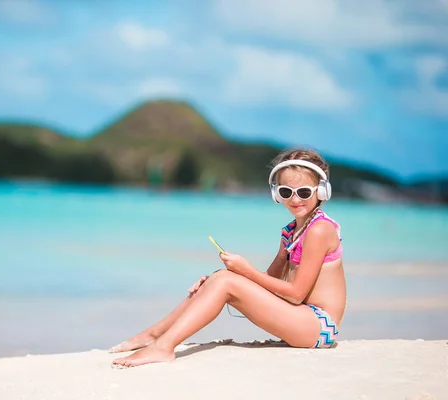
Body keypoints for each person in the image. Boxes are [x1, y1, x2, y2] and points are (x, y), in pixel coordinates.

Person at [110, 148, 347, 368]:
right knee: (218, 279)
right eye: (286, 192)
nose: (295, 199)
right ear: (277, 193)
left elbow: (295, 294)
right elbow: (269, 284)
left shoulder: (319, 230)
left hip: (319, 327)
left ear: (322, 191)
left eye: (304, 192)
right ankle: (154, 335)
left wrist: (244, 271)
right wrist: (214, 283)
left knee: (226, 281)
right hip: (300, 318)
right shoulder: (291, 232)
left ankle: (163, 347)